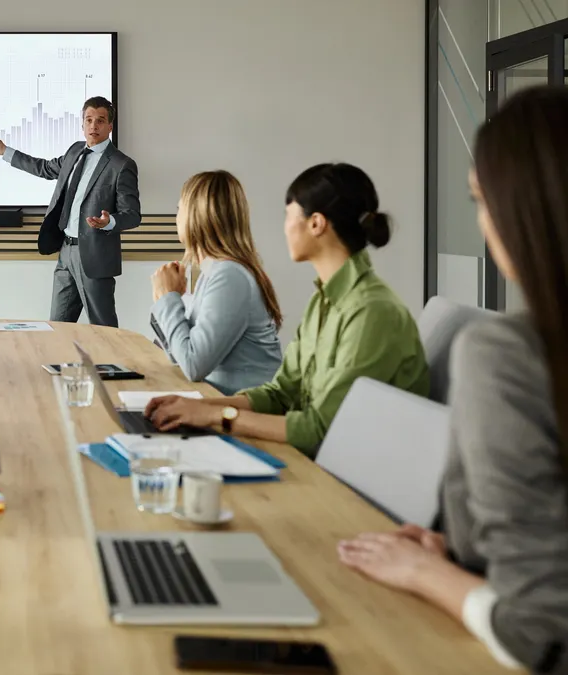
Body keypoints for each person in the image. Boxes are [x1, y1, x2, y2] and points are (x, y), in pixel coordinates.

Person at [338, 86, 568, 674]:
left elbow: (539, 631)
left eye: (479, 201)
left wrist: (427, 572)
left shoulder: (509, 354)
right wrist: (469, 559)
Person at [143, 163, 428, 457]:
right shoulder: (325, 300)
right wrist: (197, 407)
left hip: (345, 475)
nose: (285, 226)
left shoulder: (371, 311)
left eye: (288, 215)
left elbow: (320, 429)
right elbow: (281, 393)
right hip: (319, 455)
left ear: (316, 223)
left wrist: (218, 416)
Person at [0, 96, 140, 328]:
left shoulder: (121, 164)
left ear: (110, 126)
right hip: (65, 251)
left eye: (100, 120)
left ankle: (111, 365)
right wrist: (6, 152)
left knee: (103, 328)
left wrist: (109, 222)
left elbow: (132, 214)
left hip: (95, 256)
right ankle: (60, 365)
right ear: (82, 124)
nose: (93, 126)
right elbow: (45, 168)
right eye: (88, 120)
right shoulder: (74, 151)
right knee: (57, 326)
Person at [149, 170, 283, 394]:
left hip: (243, 415)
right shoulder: (214, 273)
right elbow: (179, 357)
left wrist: (168, 299)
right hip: (221, 402)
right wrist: (168, 298)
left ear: (195, 214)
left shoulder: (229, 276)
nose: (177, 216)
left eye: (179, 208)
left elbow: (193, 365)